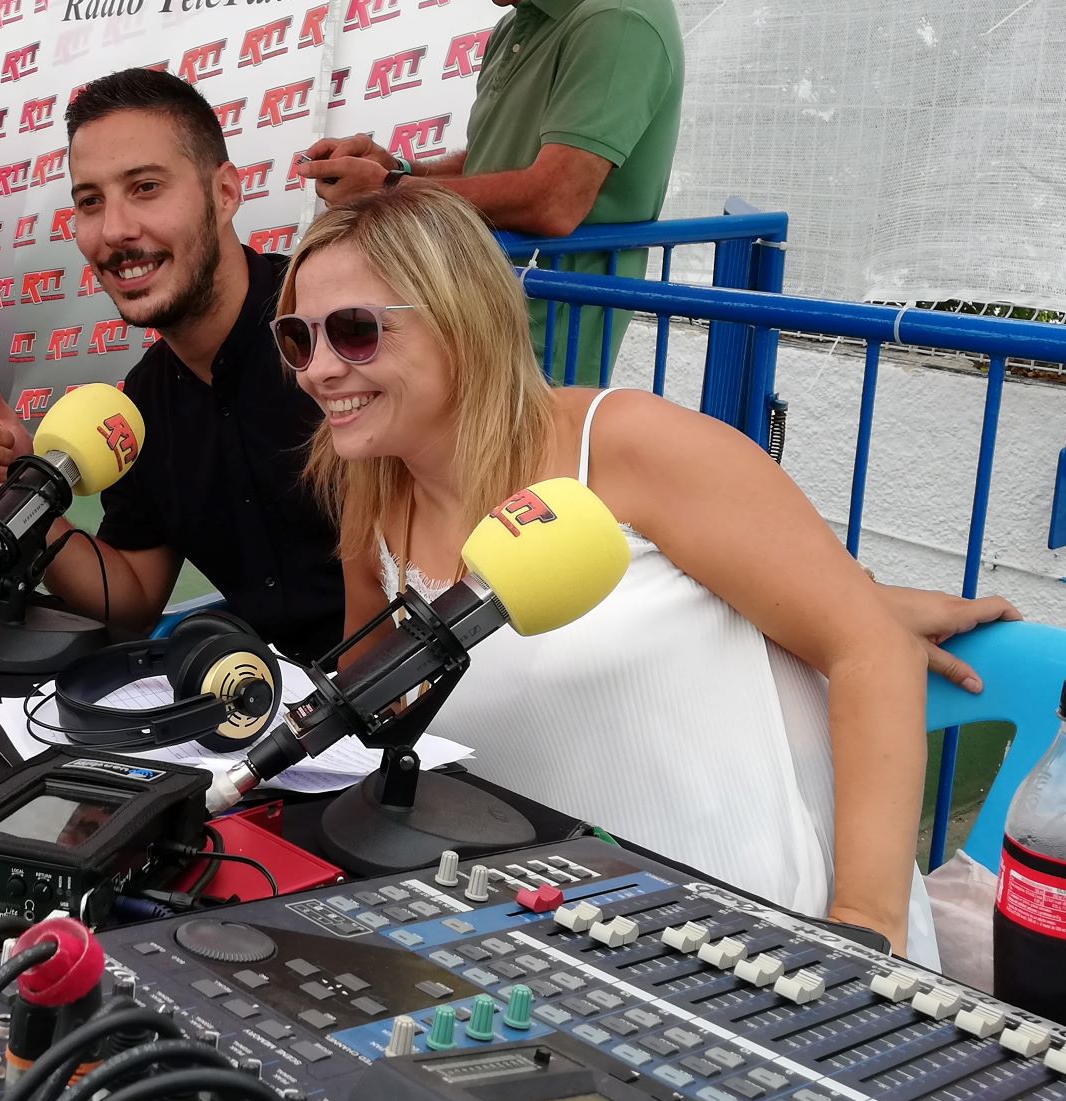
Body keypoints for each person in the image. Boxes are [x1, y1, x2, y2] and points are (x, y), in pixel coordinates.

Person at [279, 187, 1015, 959]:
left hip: (767, 934)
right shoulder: (373, 499)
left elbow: (870, 650)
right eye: (298, 338)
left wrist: (862, 933)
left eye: (354, 332)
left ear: (460, 319)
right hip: (545, 935)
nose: (317, 370)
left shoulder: (625, 444)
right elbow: (372, 717)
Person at [0, 68, 343, 661]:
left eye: (146, 187)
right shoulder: (140, 406)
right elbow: (131, 600)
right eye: (90, 202)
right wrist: (27, 494)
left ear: (225, 193)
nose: (116, 230)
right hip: (280, 698)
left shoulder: (339, 333)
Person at [301, 0, 683, 383]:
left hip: (540, 349)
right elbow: (495, 167)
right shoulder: (521, 22)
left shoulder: (620, 15)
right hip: (480, 324)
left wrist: (390, 190)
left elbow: (555, 199)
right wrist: (400, 169)